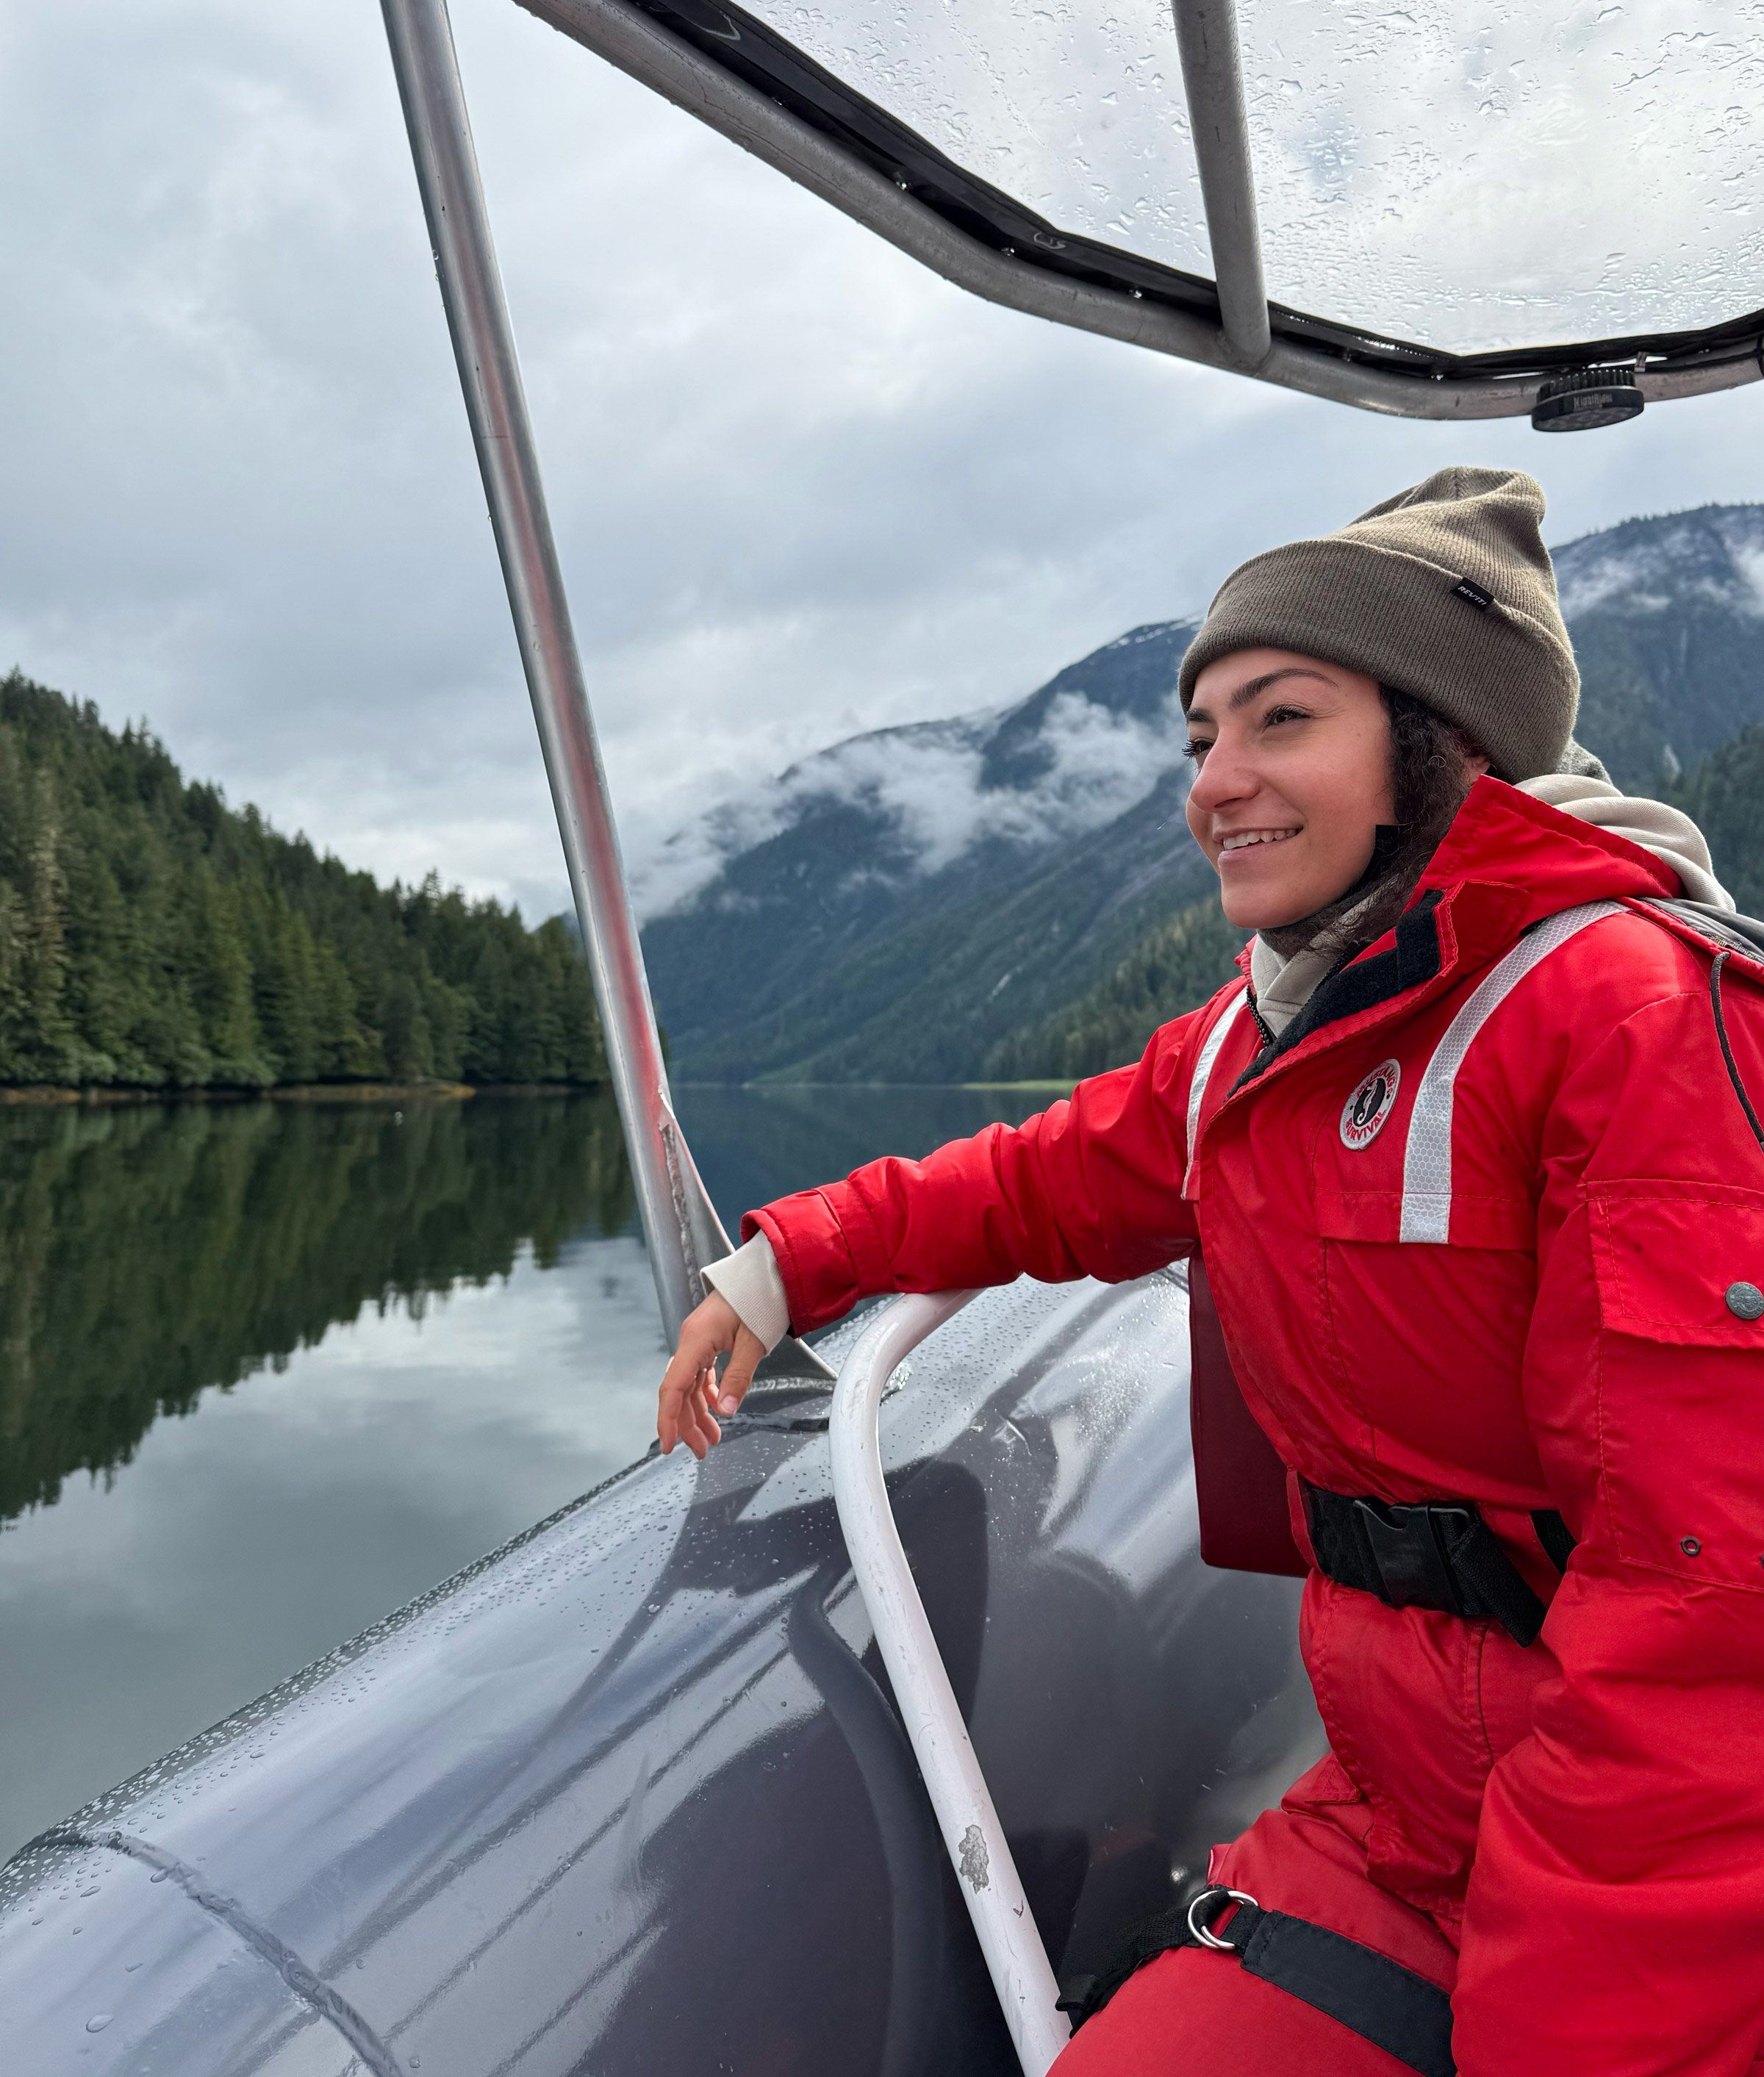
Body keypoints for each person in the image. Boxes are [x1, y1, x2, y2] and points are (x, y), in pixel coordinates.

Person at [656, 467, 1764, 2076]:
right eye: (1199, 739)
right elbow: (1043, 1170)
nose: (1216, 783)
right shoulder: (1260, 1038)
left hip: (1653, 1855)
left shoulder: (1633, 1012)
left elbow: (1709, 1619)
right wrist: (786, 1262)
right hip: (1394, 1823)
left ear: (1432, 744)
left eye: (1282, 719)